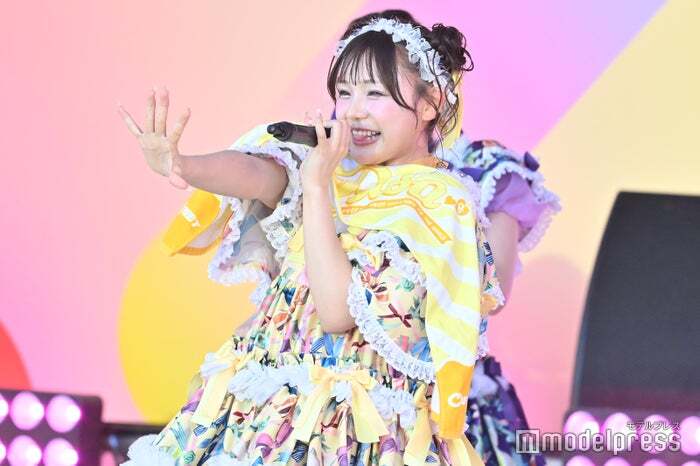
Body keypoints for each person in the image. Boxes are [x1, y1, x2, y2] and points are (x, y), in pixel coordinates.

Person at [116, 8, 548, 465]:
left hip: (352, 434)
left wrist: (318, 188)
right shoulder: (334, 171)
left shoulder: (440, 206)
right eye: (344, 92)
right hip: (261, 419)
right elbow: (259, 174)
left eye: (374, 93)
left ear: (430, 104)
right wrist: (182, 165)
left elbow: (337, 311)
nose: (354, 110)